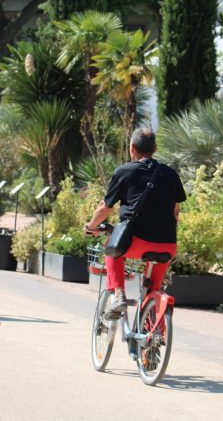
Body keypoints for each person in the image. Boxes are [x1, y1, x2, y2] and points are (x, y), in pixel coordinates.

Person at [84, 127, 186, 315]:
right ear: (154, 148)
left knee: (112, 249)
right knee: (152, 289)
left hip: (135, 243)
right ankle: (154, 335)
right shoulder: (171, 174)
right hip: (167, 245)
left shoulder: (124, 171)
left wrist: (90, 226)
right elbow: (176, 212)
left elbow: (106, 207)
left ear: (132, 148)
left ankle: (119, 295)